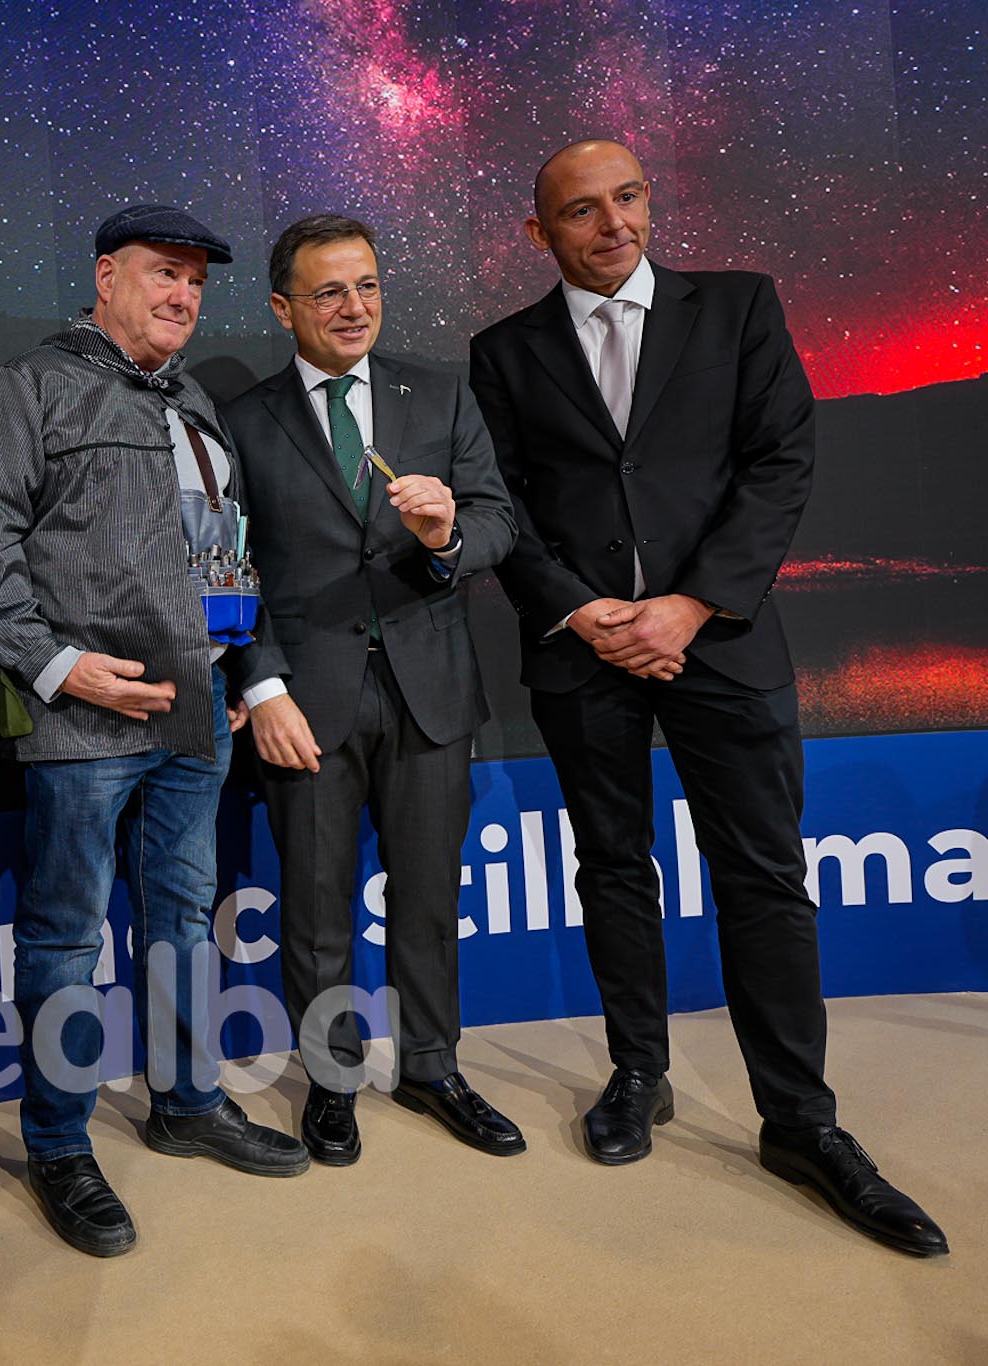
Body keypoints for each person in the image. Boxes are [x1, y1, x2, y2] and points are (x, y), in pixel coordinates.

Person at [468, 139, 947, 1255]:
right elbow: (502, 505)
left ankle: (801, 1123)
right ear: (539, 232)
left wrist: (688, 607)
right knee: (611, 867)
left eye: (628, 198)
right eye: (582, 211)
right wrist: (583, 610)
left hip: (720, 645)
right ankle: (638, 1072)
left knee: (763, 878)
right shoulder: (502, 351)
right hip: (582, 652)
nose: (613, 224)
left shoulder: (737, 307)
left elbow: (779, 461)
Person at [0, 204, 310, 1261]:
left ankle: (186, 1100)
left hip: (196, 717)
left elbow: (223, 549)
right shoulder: (29, 388)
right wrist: (55, 665)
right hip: (83, 720)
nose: (183, 296)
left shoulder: (193, 401)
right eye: (163, 273)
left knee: (183, 919)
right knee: (66, 937)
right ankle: (59, 1143)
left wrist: (236, 663)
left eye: (196, 282)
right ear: (106, 276)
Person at [221, 214, 521, 1164]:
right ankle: (332, 1078)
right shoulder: (241, 421)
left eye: (368, 287)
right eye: (329, 293)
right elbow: (228, 564)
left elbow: (497, 519)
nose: (354, 308)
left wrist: (446, 536)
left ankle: (433, 1066)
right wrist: (262, 682)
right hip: (307, 701)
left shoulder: (439, 391)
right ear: (284, 309)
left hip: (432, 689)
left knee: (428, 896)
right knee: (315, 907)